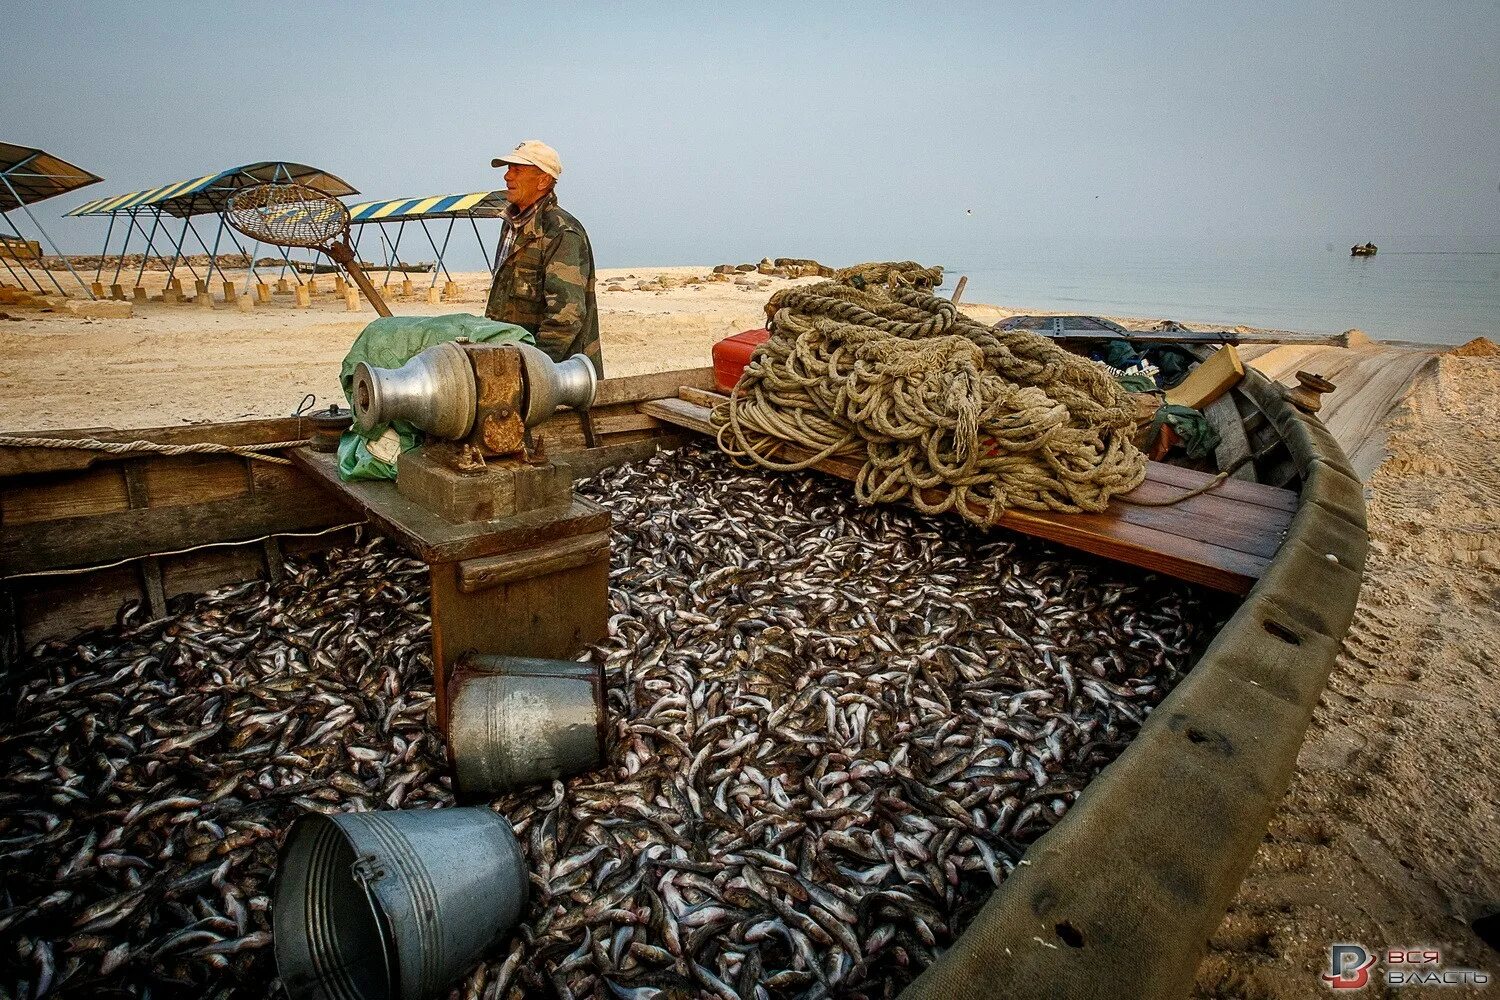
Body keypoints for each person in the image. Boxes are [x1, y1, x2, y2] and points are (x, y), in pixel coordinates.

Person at [484, 140, 603, 376]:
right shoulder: (512, 226)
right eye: (508, 169)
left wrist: (533, 373)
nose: (507, 176)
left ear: (543, 180)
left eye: (517, 170)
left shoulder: (560, 232)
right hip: (512, 367)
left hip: (560, 376)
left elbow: (565, 317)